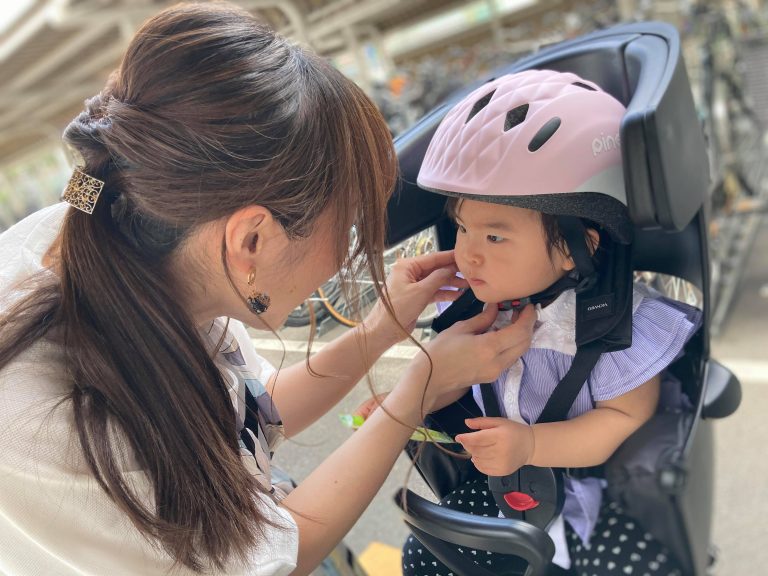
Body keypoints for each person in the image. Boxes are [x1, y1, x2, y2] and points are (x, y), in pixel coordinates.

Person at [0, 4, 539, 575]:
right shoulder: (55, 426)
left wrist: (382, 329)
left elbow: (253, 408)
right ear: (251, 239)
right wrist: (420, 388)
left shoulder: (130, 232)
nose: (349, 252)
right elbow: (271, 561)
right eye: (348, 225)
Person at [397, 70, 701, 575]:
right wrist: (414, 400)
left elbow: (626, 418)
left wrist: (533, 445)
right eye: (463, 227)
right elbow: (460, 388)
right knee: (426, 556)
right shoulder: (477, 310)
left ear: (577, 246)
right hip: (507, 484)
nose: (467, 253)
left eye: (494, 238)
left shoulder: (614, 328)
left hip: (597, 492)